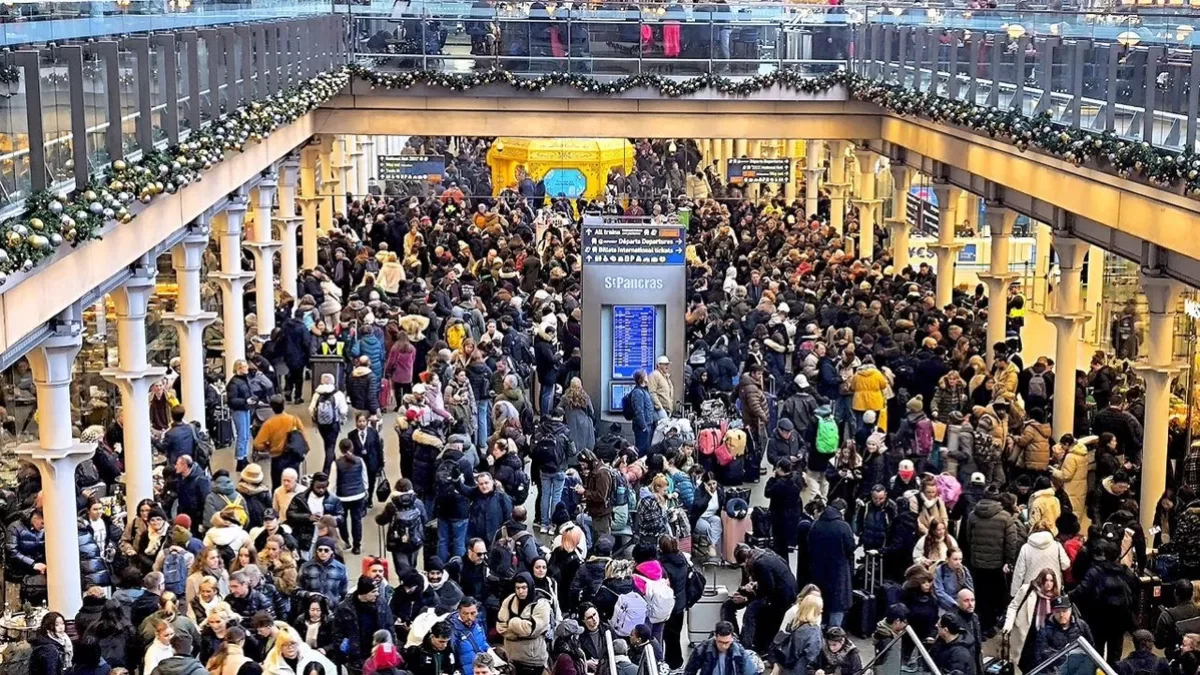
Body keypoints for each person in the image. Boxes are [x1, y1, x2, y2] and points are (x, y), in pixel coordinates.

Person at [807, 501, 854, 628]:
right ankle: (834, 636)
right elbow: (850, 548)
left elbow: (809, 547)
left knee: (821, 604)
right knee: (837, 606)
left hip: (819, 572)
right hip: (838, 572)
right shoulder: (844, 526)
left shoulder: (816, 525)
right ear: (842, 512)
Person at [497, 573, 552, 675]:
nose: (520, 591)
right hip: (511, 658)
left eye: (524, 587)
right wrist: (518, 633)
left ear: (530, 586)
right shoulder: (509, 600)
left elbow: (530, 630)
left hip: (533, 660)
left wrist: (512, 623)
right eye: (517, 588)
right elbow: (500, 627)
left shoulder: (541, 604)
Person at [331, 438, 369, 555]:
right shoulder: (359, 460)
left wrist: (331, 496)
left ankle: (346, 541)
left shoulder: (336, 463)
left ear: (340, 449)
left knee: (342, 520)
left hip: (343, 497)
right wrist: (365, 490)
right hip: (358, 495)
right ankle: (357, 545)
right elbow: (364, 477)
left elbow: (333, 482)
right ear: (352, 447)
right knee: (356, 520)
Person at [1034, 596, 1094, 669]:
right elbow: (1040, 658)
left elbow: (1091, 650)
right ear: (1053, 612)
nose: (1061, 615)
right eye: (1057, 611)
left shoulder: (1081, 626)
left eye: (1064, 611)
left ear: (1070, 610)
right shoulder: (1045, 631)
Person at [309, 373, 349, 476]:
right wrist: (342, 418)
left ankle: (333, 463)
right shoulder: (338, 394)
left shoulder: (317, 394)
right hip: (333, 423)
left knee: (327, 444)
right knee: (330, 446)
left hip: (321, 425)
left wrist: (315, 418)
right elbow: (343, 410)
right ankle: (326, 471)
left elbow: (311, 409)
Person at [772, 594, 823, 675]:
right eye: (820, 609)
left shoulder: (795, 624)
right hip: (801, 669)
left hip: (787, 666)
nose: (821, 611)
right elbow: (811, 655)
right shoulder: (813, 630)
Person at [681, 621, 757, 675]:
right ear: (715, 637)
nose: (723, 646)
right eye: (720, 642)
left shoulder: (739, 651)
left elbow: (750, 672)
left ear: (732, 639)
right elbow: (689, 671)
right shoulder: (703, 649)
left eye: (726, 642)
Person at [261, 627, 337, 675]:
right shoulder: (273, 664)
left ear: (298, 644)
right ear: (279, 647)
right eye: (285, 644)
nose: (290, 647)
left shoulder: (313, 655)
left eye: (293, 643)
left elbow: (332, 670)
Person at [298, 537, 349, 604]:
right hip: (311, 609)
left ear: (332, 551)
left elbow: (344, 592)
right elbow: (297, 589)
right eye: (320, 550)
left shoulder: (340, 568)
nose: (323, 552)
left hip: (333, 608)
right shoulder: (306, 567)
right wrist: (308, 594)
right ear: (316, 551)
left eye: (326, 550)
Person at [448, 597, 489, 675]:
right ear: (459, 612)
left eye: (473, 613)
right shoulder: (452, 629)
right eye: (465, 613)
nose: (469, 617)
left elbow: (484, 642)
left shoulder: (479, 621)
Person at [628, 371, 656, 454]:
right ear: (642, 379)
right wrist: (644, 427)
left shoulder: (644, 390)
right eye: (646, 376)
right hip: (642, 427)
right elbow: (639, 411)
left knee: (646, 449)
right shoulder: (637, 392)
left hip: (648, 424)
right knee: (641, 450)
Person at [647, 356, 674, 421]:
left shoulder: (665, 376)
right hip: (658, 411)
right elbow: (652, 393)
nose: (667, 366)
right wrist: (660, 408)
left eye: (667, 364)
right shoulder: (654, 375)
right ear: (659, 365)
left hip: (667, 410)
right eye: (665, 364)